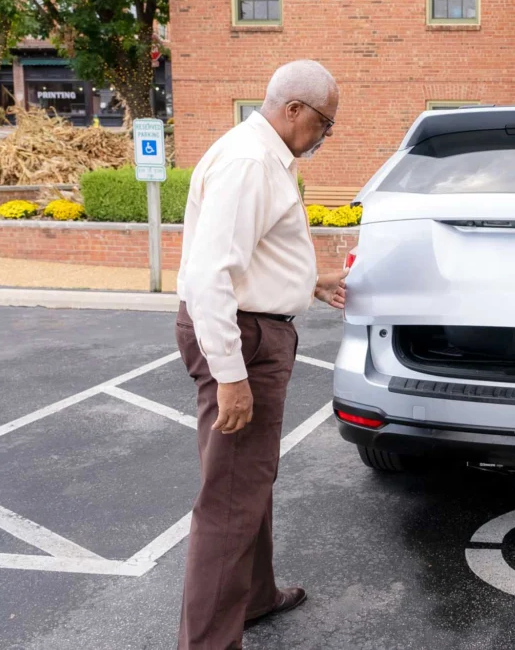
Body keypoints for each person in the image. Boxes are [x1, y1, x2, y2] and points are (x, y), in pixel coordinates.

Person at [174, 60, 346, 649]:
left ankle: (254, 596)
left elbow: (254, 257)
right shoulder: (250, 163)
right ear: (294, 110)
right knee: (229, 498)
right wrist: (231, 376)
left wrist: (310, 283)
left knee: (248, 479)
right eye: (324, 122)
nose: (324, 134)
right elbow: (208, 275)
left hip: (254, 328)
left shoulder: (266, 156)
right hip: (241, 340)